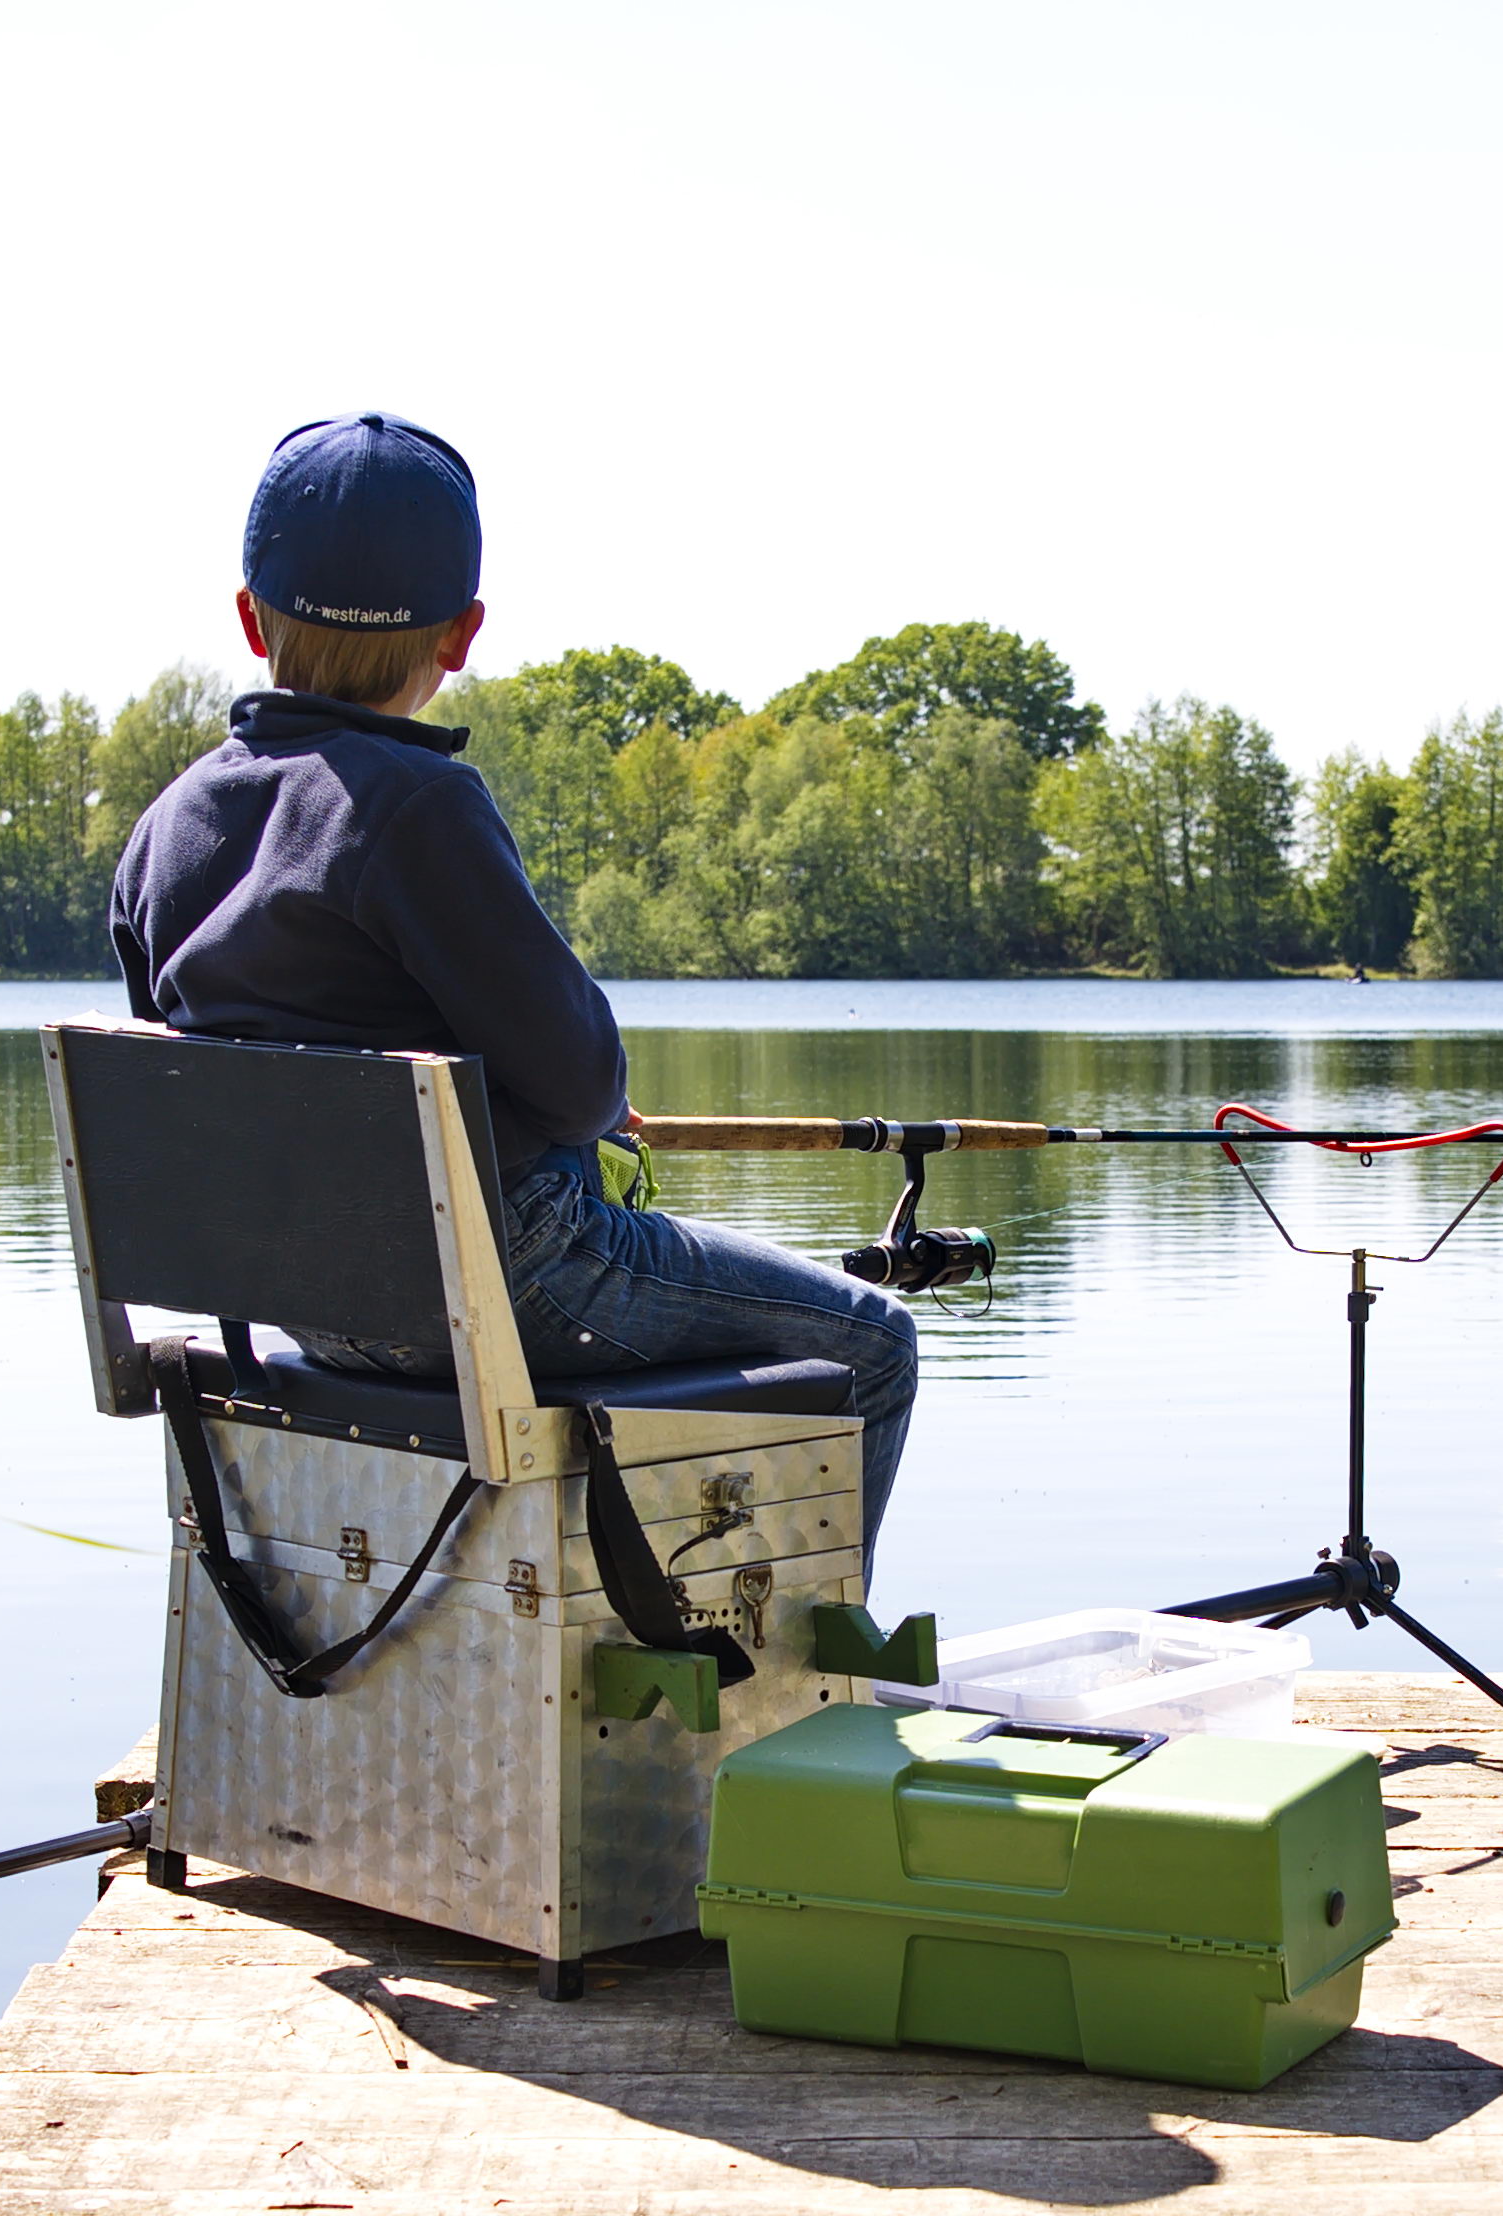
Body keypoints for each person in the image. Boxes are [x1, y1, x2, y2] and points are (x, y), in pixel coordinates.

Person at [108, 412, 921, 1556]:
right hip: (515, 1285)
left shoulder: (164, 829)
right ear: (462, 635)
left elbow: (199, 1089)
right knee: (872, 1345)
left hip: (313, 1308)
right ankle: (791, 1696)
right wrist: (565, 1111)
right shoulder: (415, 805)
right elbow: (584, 1085)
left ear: (250, 618)